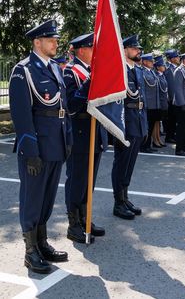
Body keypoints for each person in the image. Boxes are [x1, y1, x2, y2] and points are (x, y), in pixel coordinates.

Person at [9, 19, 71, 274]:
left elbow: (62, 108)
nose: (56, 43)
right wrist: (29, 151)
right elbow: (22, 116)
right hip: (37, 147)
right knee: (32, 198)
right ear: (37, 42)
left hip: (56, 143)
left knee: (47, 197)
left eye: (56, 39)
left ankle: (42, 242)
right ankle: (30, 250)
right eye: (51, 39)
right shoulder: (23, 70)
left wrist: (68, 140)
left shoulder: (54, 68)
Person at [63, 33, 105, 244]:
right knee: (77, 180)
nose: (94, 52)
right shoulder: (71, 72)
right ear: (81, 50)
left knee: (91, 181)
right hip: (79, 132)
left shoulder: (90, 70)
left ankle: (85, 218)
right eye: (91, 48)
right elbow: (71, 104)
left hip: (94, 130)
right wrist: (90, 82)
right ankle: (73, 225)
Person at [111, 35, 148, 219]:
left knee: (130, 163)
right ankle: (118, 202)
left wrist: (145, 125)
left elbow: (142, 99)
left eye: (138, 48)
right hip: (126, 122)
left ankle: (125, 197)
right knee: (121, 163)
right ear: (124, 50)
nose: (138, 51)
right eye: (134, 48)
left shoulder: (137, 70)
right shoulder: (119, 70)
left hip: (138, 120)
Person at [141, 53, 160, 153]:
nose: (153, 63)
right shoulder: (142, 72)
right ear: (144, 62)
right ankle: (144, 146)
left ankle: (149, 144)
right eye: (150, 61)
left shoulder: (152, 72)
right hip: (147, 104)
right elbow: (143, 89)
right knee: (146, 126)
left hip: (153, 104)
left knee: (151, 125)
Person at [164, 49, 180, 143]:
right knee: (171, 119)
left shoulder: (174, 68)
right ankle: (169, 136)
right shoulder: (169, 69)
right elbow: (171, 85)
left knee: (174, 119)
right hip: (172, 98)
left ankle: (172, 134)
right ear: (172, 59)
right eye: (176, 57)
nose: (178, 58)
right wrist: (172, 98)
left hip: (175, 98)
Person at [153, 55, 168, 148]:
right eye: (162, 65)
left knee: (158, 122)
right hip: (158, 102)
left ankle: (158, 139)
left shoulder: (162, 76)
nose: (164, 67)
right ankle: (155, 140)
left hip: (162, 102)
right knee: (155, 122)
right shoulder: (157, 76)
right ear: (158, 67)